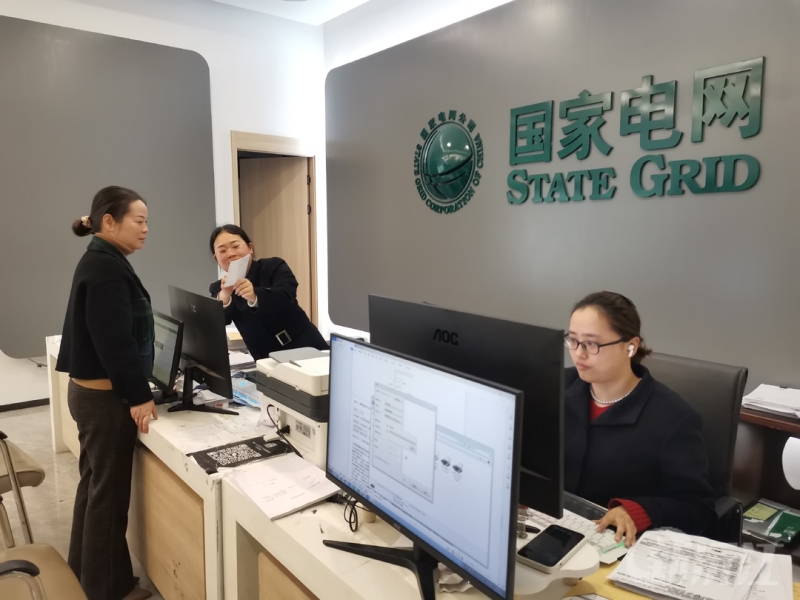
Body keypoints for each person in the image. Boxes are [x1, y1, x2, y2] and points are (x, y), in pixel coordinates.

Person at [56, 186, 157, 600]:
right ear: (110, 222)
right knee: (108, 499)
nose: (145, 229)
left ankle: (85, 577)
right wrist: (140, 395)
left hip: (91, 395)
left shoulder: (103, 259)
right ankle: (108, 590)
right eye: (139, 221)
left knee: (94, 489)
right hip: (105, 400)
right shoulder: (106, 268)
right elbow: (115, 342)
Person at [564, 291, 717, 547]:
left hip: (616, 544)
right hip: (554, 526)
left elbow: (698, 507)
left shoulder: (674, 418)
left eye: (591, 344)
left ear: (631, 346)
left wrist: (635, 511)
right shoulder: (558, 385)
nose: (579, 354)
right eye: (573, 341)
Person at [208, 224, 327, 360]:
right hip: (264, 358)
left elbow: (286, 295)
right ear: (216, 258)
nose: (230, 253)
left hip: (303, 346)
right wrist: (225, 296)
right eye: (222, 251)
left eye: (235, 246)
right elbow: (217, 322)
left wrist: (255, 295)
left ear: (250, 248)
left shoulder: (273, 266)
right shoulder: (218, 288)